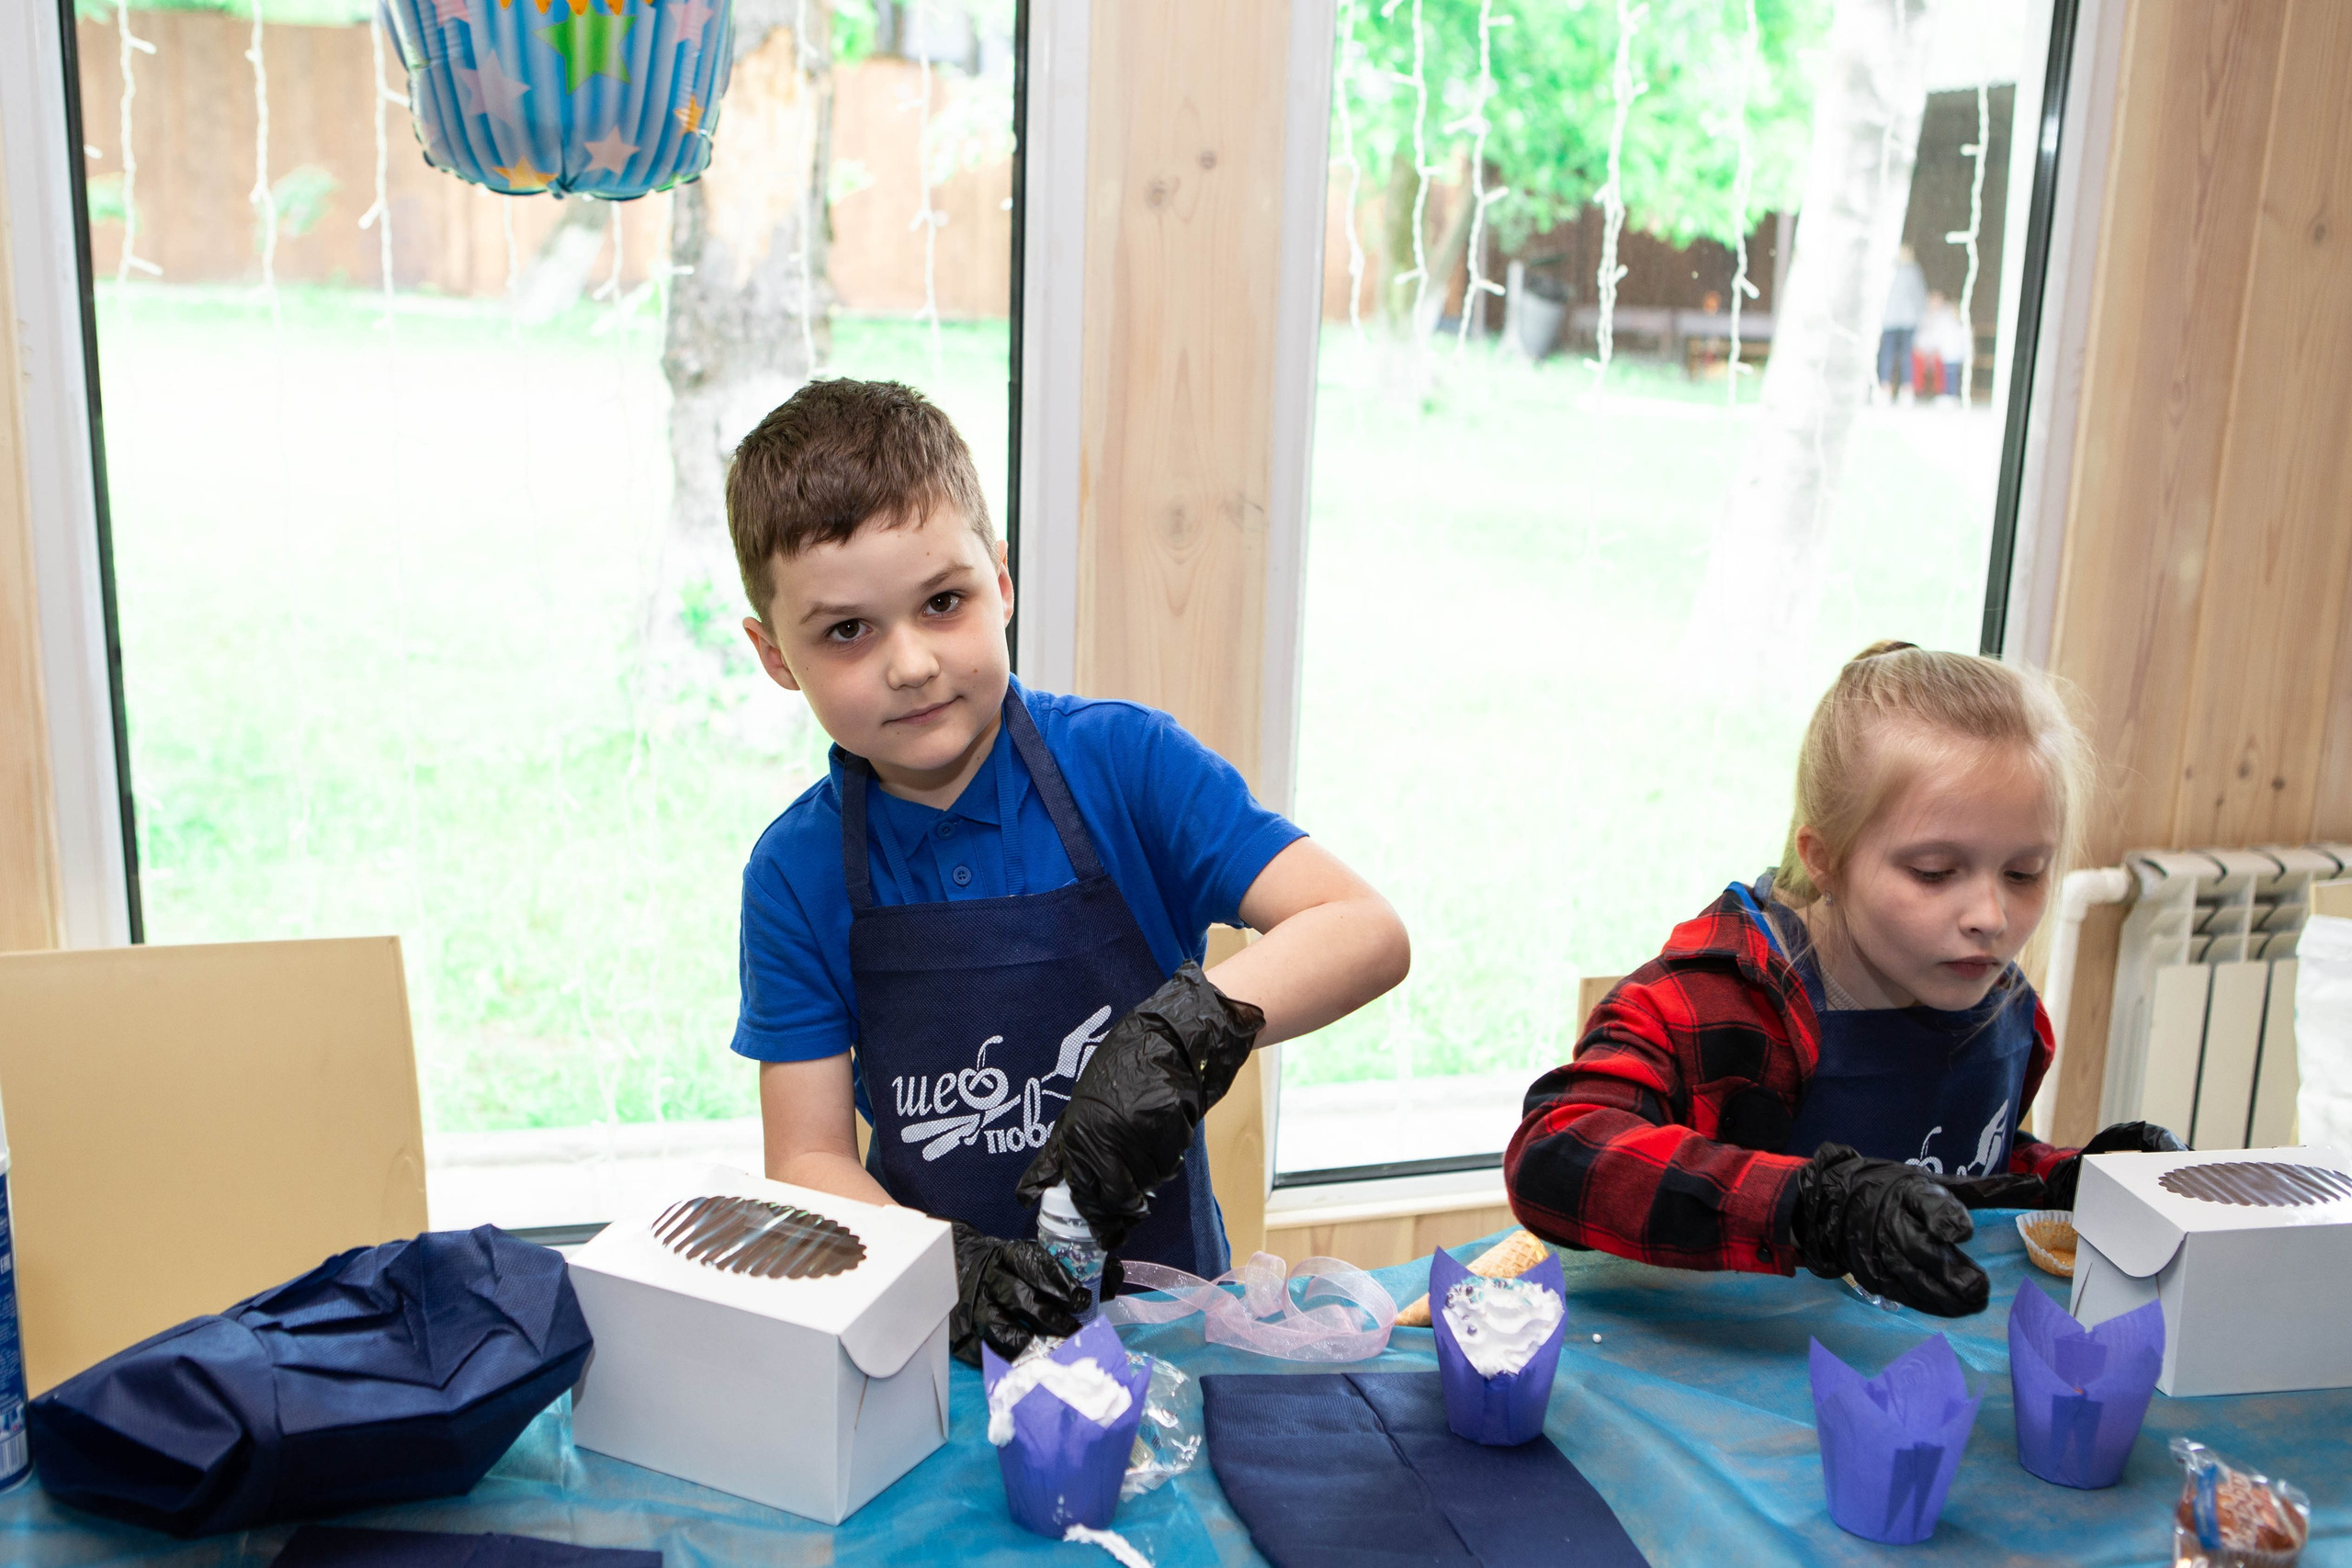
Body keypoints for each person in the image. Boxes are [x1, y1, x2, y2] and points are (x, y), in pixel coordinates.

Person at [725, 379, 1410, 1362]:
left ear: (1000, 581)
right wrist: (946, 1276)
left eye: (943, 602)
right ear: (775, 654)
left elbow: (1364, 931)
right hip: (936, 1338)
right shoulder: (793, 875)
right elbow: (808, 1157)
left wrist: (1172, 1042)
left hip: (1172, 1331)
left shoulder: (1127, 768)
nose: (911, 663)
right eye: (847, 631)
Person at [1504, 642, 2181, 1317]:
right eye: (1935, 871)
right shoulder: (1712, 1000)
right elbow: (1555, 1151)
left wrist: (2061, 1181)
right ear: (1825, 858)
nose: (1991, 917)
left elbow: (1942, 1167)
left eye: (2025, 873)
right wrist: (1814, 1207)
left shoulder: (1996, 1003)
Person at [1879, 246, 1927, 401]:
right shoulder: (1887, 268)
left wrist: (1920, 317)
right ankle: (1885, 388)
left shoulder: (1913, 270)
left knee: (1906, 355)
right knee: (1888, 354)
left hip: (1906, 319)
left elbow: (1919, 295)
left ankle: (1906, 389)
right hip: (1891, 319)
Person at [1918, 290, 1969, 404]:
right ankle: (1946, 394)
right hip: (1944, 352)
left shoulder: (1950, 319)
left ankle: (1951, 395)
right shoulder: (1934, 316)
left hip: (1952, 352)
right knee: (1946, 374)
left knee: (1951, 374)